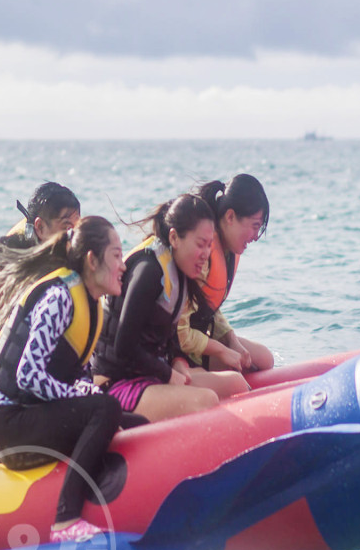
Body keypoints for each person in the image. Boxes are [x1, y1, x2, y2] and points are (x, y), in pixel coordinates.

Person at [0, 216, 126, 542]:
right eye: (116, 255)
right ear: (92, 260)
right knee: (106, 409)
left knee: (127, 418)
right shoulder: (60, 298)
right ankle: (65, 518)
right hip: (11, 424)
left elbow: (71, 377)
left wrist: (84, 392)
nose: (123, 265)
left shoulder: (91, 303)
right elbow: (28, 375)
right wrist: (81, 396)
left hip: (35, 414)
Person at [93, 194, 244, 420]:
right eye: (200, 244)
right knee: (206, 401)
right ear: (174, 237)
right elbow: (124, 346)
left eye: (209, 246)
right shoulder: (149, 271)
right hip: (115, 385)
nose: (206, 255)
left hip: (151, 376)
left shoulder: (179, 271)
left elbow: (168, 334)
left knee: (236, 384)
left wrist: (178, 363)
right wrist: (167, 373)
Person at [179, 173, 275, 374]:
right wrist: (222, 350)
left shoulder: (224, 250)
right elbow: (180, 331)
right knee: (235, 380)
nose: (255, 237)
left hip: (198, 339)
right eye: (255, 226)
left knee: (264, 359)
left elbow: (206, 305)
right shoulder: (202, 256)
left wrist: (230, 339)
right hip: (178, 349)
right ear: (230, 217)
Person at [0, 181, 81, 250]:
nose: (74, 236)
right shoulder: (13, 259)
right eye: (67, 228)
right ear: (40, 227)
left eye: (78, 228)